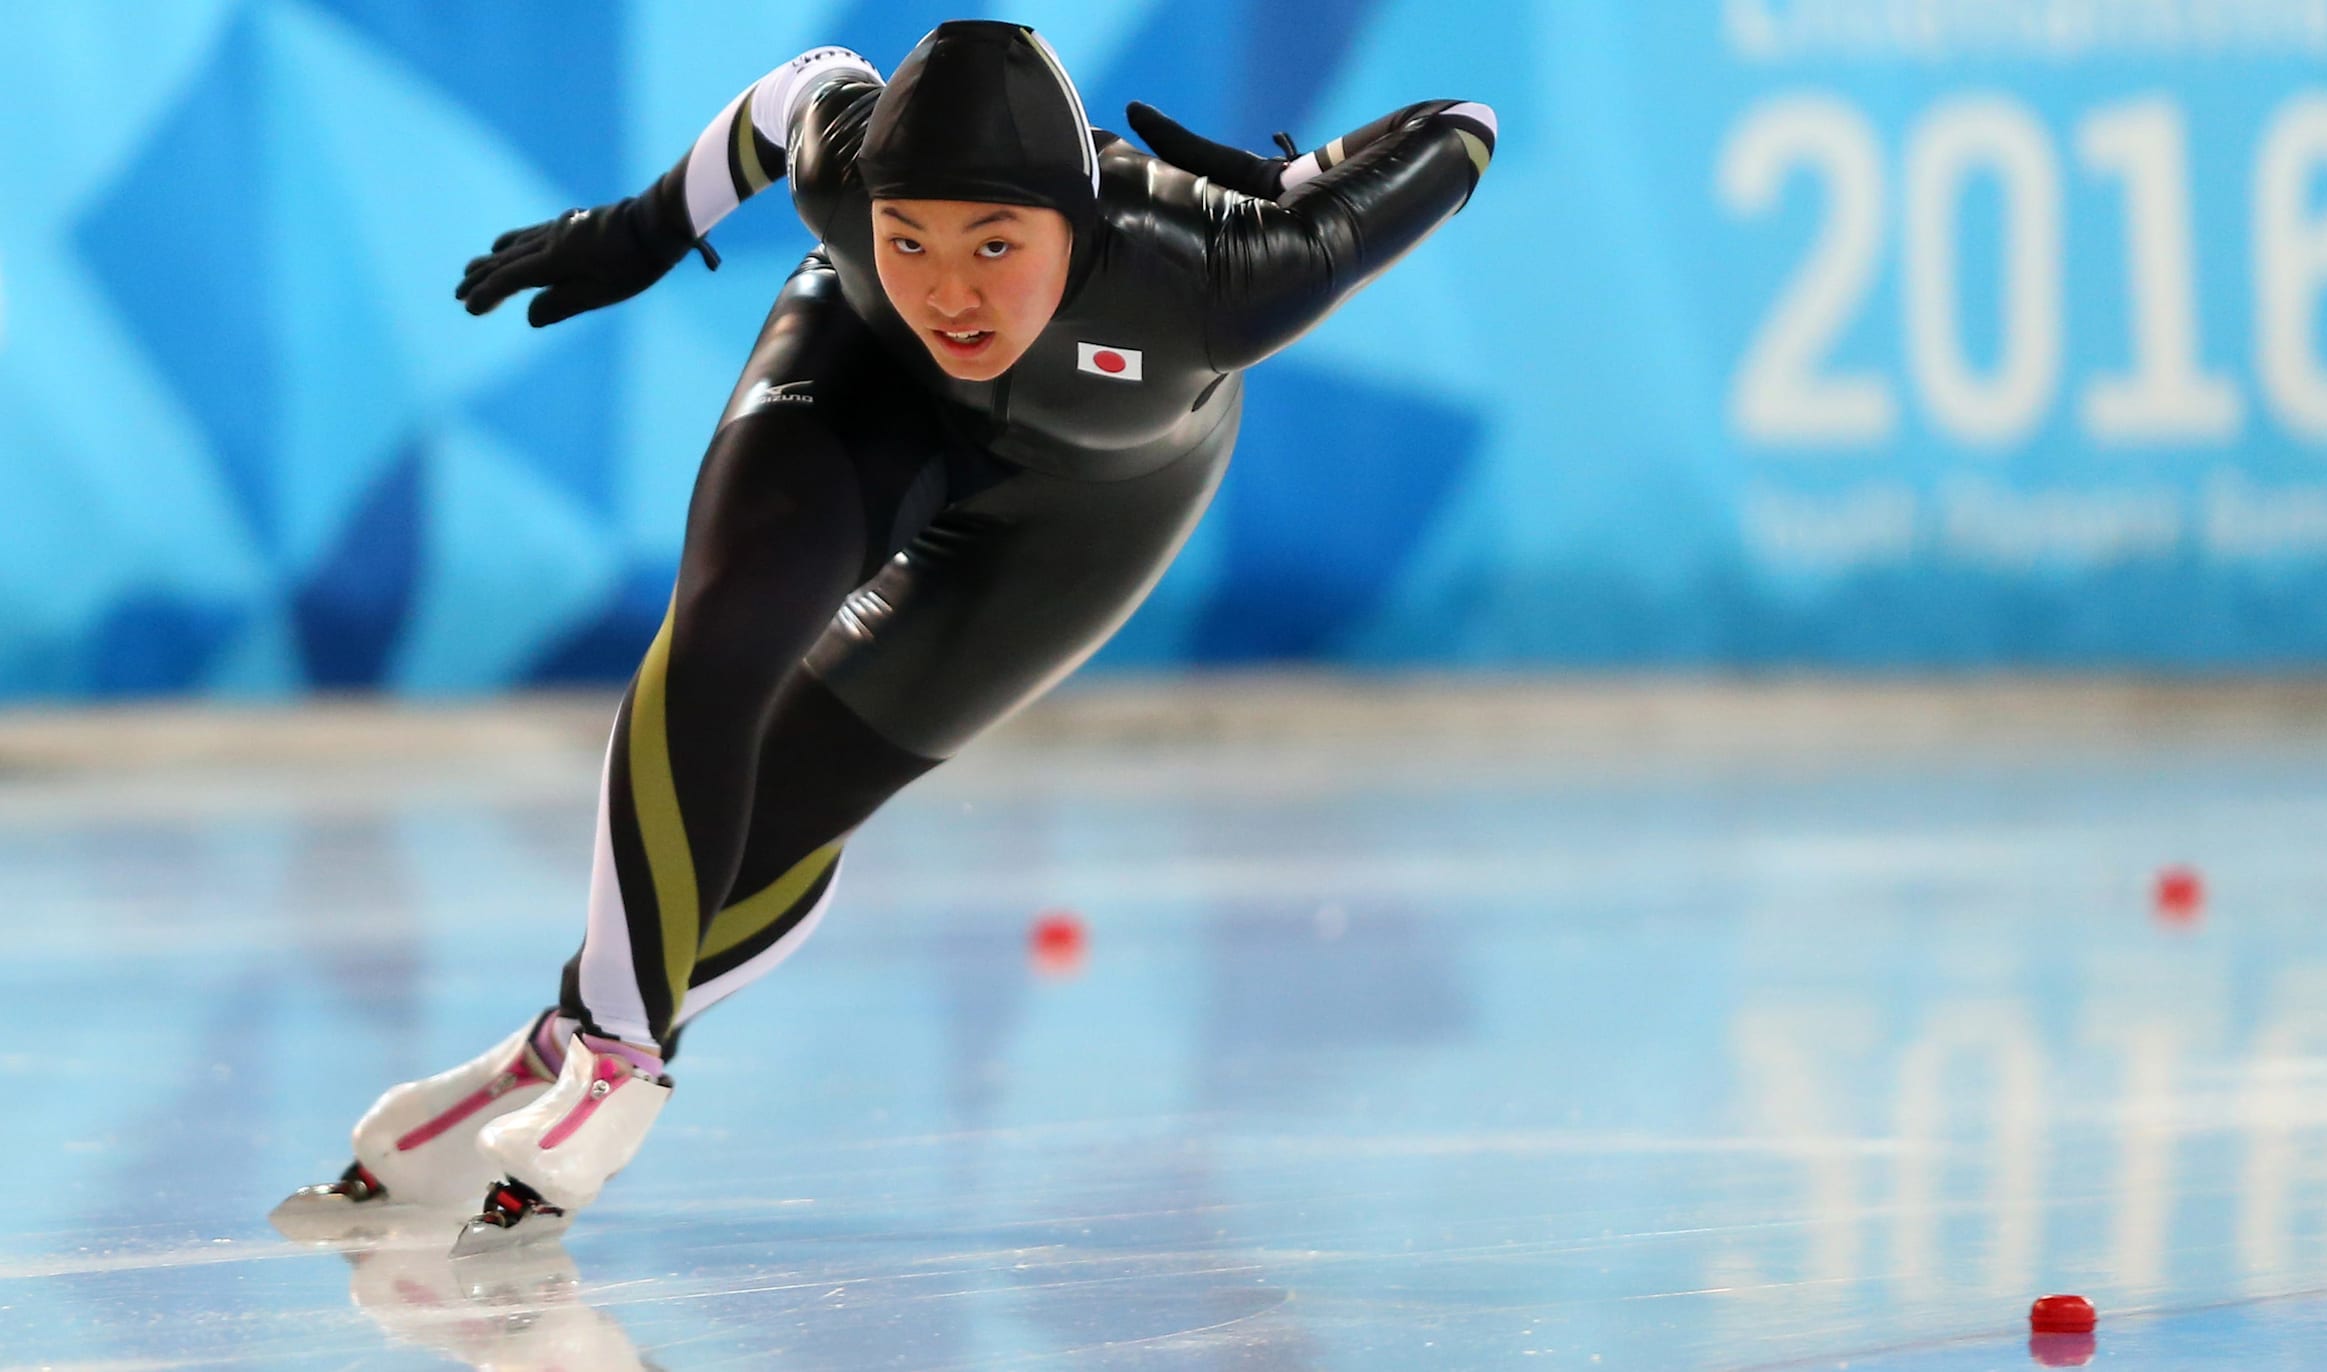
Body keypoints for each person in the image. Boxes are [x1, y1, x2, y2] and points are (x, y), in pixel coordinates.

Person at [273, 19, 1496, 1253]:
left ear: (1077, 222)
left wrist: (1299, 175)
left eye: (995, 245)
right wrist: (646, 228)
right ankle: (618, 1058)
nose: (949, 293)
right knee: (727, 630)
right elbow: (801, 90)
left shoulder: (1225, 272)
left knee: (788, 805)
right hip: (863, 382)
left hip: (1093, 500)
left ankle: (555, 1048)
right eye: (907, 239)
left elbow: (1463, 127)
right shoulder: (840, 175)